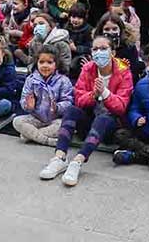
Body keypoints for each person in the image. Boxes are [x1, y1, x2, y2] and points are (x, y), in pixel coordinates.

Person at [38, 35, 132, 186]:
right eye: (95, 49)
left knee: (103, 119)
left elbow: (121, 107)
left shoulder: (123, 71)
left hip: (110, 125)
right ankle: (59, 157)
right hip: (89, 121)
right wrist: (93, 94)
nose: (99, 52)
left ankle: (77, 161)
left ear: (113, 52)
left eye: (103, 49)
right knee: (72, 110)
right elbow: (79, 99)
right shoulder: (88, 68)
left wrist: (105, 93)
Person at [13, 48, 74, 147]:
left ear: (56, 64)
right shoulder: (31, 80)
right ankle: (47, 141)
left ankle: (28, 136)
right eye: (41, 62)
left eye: (49, 62)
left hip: (55, 119)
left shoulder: (64, 80)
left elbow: (68, 102)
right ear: (36, 63)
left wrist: (57, 107)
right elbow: (24, 99)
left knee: (63, 126)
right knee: (17, 121)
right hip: (36, 118)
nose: (45, 65)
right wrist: (28, 106)